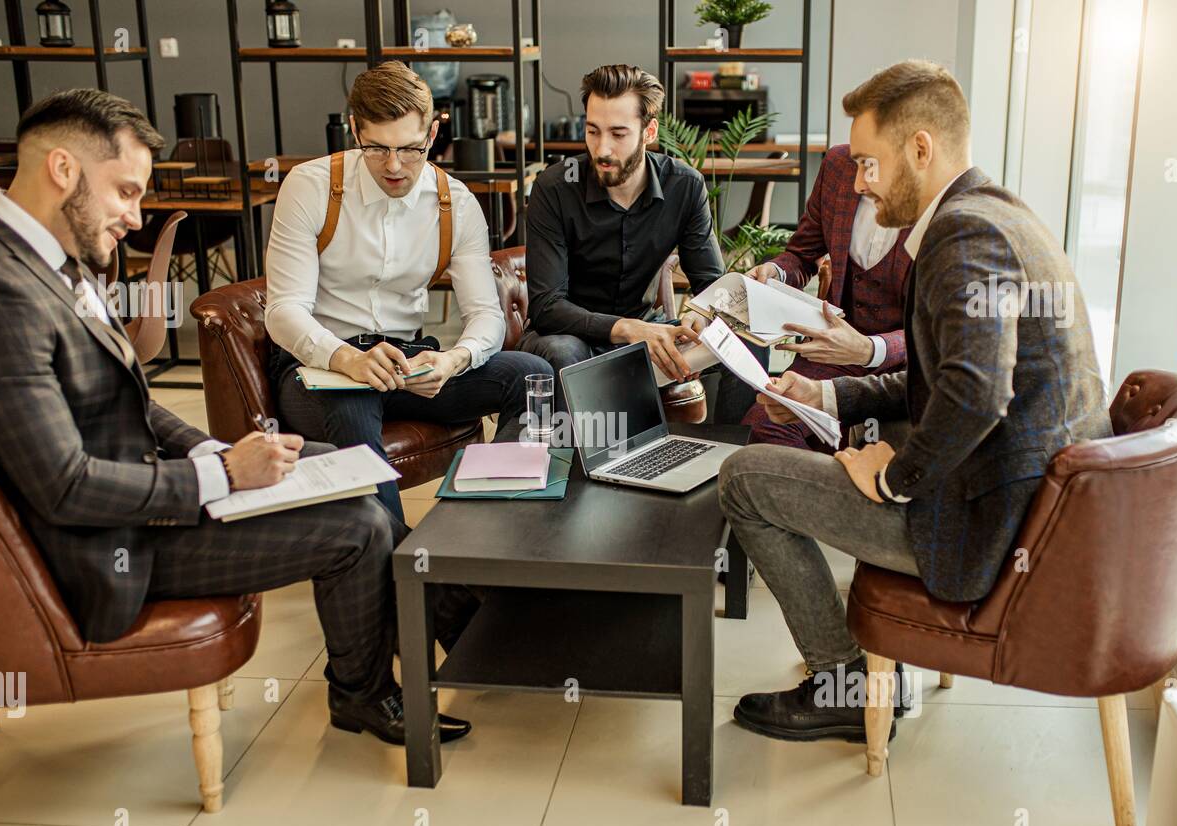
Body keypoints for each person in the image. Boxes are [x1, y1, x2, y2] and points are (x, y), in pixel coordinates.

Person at [0, 89, 472, 746]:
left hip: (125, 500)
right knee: (357, 523)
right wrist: (222, 479)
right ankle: (377, 686)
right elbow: (63, 487)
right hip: (90, 549)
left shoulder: (48, 262)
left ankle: (430, 637)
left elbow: (128, 402)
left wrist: (217, 451)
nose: (136, 215)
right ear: (63, 170)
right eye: (125, 191)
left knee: (348, 469)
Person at [718, 60, 1112, 743]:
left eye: (870, 164)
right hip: (1022, 505)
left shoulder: (965, 237)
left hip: (986, 528)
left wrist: (895, 480)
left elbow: (977, 394)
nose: (860, 183)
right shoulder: (995, 212)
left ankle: (838, 679)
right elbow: (947, 376)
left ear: (921, 149)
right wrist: (827, 395)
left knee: (744, 478)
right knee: (821, 436)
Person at [265, 61, 551, 522]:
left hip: (406, 363)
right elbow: (283, 311)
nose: (395, 166)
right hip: (320, 368)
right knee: (354, 402)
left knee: (531, 374)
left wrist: (453, 359)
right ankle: (397, 576)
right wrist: (347, 358)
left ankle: (494, 529)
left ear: (434, 132)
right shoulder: (311, 186)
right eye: (377, 148)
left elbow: (485, 316)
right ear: (355, 128)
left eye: (411, 149)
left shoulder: (455, 202)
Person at [520, 63, 764, 424]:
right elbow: (547, 307)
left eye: (618, 134)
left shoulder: (685, 186)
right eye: (593, 131)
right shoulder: (554, 189)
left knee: (744, 342)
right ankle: (582, 473)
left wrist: (702, 318)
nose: (602, 149)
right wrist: (626, 328)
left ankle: (731, 462)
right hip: (569, 334)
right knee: (565, 350)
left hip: (647, 330)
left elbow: (713, 288)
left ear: (649, 131)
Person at [743, 142, 912, 448]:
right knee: (765, 426)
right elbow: (801, 254)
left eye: (869, 164)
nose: (859, 181)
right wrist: (774, 272)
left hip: (906, 365)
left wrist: (868, 348)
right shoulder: (838, 165)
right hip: (832, 356)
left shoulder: (944, 209)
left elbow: (936, 336)